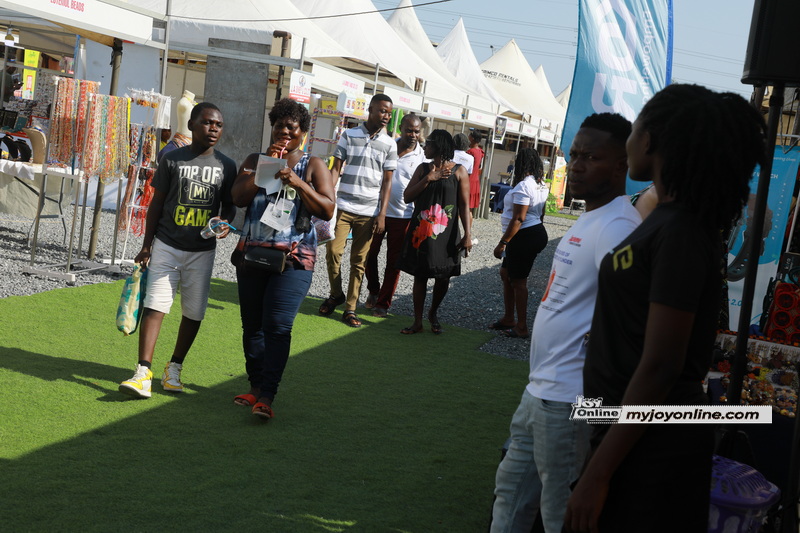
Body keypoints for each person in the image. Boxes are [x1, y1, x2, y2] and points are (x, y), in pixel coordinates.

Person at [565, 85, 767, 532]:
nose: (629, 141)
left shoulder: (682, 230)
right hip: (626, 434)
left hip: (653, 447)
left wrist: (598, 473)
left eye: (634, 128)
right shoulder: (663, 217)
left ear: (651, 139)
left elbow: (662, 364)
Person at [491, 113, 641, 533]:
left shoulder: (617, 226)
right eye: (574, 155)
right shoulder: (593, 218)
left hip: (571, 398)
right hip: (541, 388)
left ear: (621, 165)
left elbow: (631, 315)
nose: (575, 165)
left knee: (560, 513)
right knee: (510, 496)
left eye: (591, 157)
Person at [119, 102, 237, 398]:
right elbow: (156, 204)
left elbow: (229, 207)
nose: (213, 128)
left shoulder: (227, 165)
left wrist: (224, 223)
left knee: (194, 312)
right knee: (155, 305)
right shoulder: (172, 159)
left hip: (202, 251)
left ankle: (174, 368)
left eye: (218, 125)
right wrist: (146, 246)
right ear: (192, 124)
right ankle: (143, 372)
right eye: (208, 122)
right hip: (167, 246)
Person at [230, 98, 335, 420]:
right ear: (272, 127)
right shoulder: (255, 159)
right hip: (252, 254)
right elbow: (238, 197)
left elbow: (327, 209)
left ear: (303, 132)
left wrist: (298, 183)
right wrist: (266, 166)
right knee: (252, 325)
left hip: (294, 259)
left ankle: (267, 394)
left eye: (292, 127)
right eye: (279, 126)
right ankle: (254, 386)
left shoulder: (313, 165)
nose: (285, 132)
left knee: (277, 325)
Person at [319, 94, 398, 328]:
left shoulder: (390, 144)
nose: (386, 116)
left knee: (359, 261)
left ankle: (350, 308)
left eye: (389, 113)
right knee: (333, 252)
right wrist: (328, 198)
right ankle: (336, 294)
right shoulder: (349, 134)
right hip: (343, 206)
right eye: (382, 111)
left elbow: (388, 182)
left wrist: (382, 214)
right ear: (370, 110)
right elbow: (336, 169)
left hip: (369, 211)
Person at [396, 129, 471, 335]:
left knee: (443, 277)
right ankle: (417, 321)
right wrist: (429, 178)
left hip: (446, 233)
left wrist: (468, 234)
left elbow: (464, 206)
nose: (425, 147)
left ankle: (433, 313)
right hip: (422, 231)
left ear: (438, 146)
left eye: (428, 143)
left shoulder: (459, 172)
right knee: (420, 276)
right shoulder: (423, 169)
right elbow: (407, 196)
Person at [364, 113, 425, 318]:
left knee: (394, 262)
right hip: (377, 211)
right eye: (409, 131)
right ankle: (373, 289)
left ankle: (383, 303)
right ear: (400, 129)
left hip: (403, 216)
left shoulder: (422, 157)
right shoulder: (388, 146)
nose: (413, 135)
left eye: (416, 131)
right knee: (369, 253)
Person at [489, 148, 550, 339]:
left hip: (524, 235)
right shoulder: (541, 185)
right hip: (533, 231)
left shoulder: (524, 186)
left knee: (518, 281)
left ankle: (522, 326)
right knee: (505, 273)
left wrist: (502, 243)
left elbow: (519, 218)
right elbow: (541, 212)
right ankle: (509, 318)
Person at [466, 130, 485, 244]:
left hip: (468, 180)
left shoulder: (470, 152)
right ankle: (468, 232)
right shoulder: (480, 151)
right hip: (475, 180)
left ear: (472, 138)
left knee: (462, 207)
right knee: (469, 210)